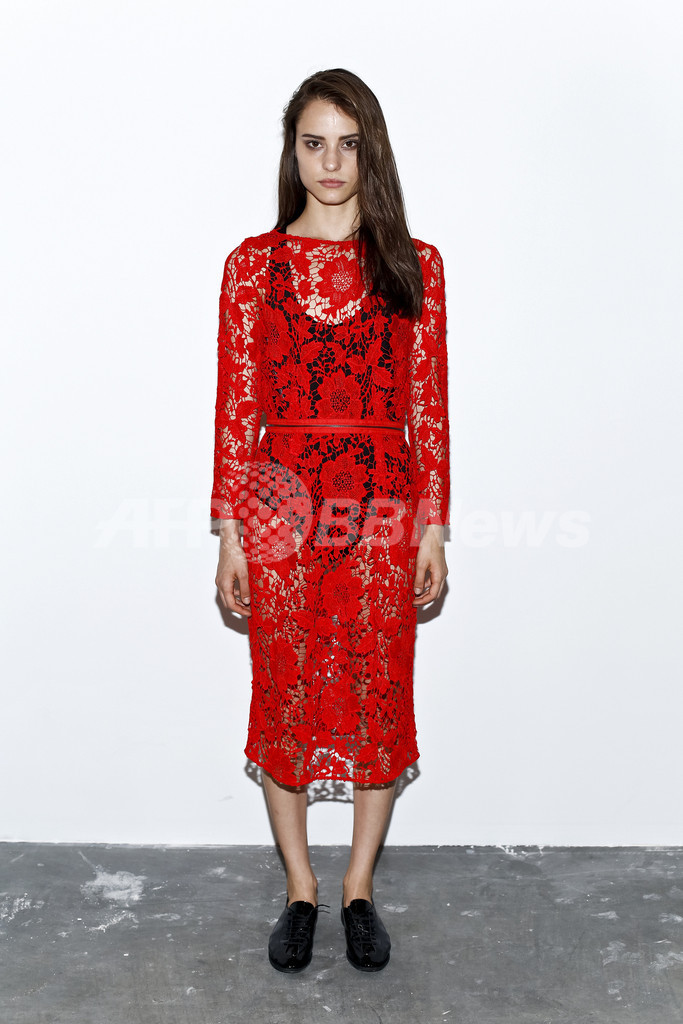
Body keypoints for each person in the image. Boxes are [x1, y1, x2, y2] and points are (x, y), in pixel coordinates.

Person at [211, 68, 450, 974]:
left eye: (348, 144)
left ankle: (356, 890)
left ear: (370, 153)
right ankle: (299, 890)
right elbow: (237, 408)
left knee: (379, 690)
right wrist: (231, 533)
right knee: (284, 691)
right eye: (313, 143)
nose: (330, 162)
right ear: (292, 152)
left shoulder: (414, 264)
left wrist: (432, 527)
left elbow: (426, 405)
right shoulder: (252, 266)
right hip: (277, 504)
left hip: (384, 505)